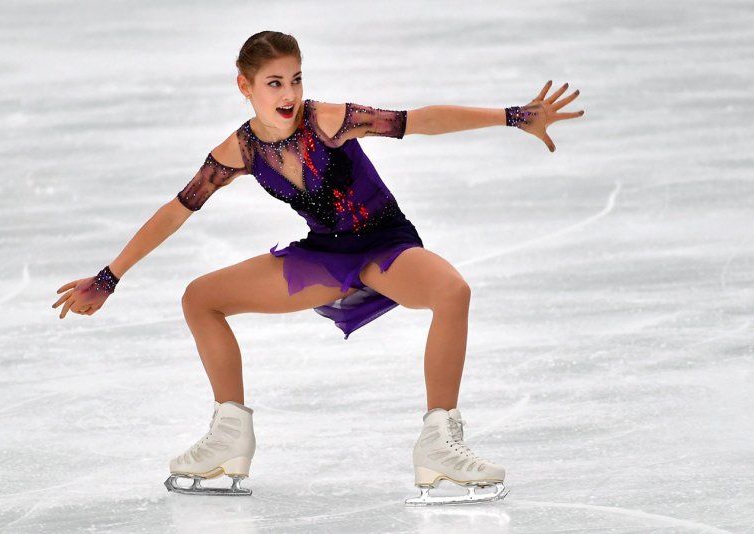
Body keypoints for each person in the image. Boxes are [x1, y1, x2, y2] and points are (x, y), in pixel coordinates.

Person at [51, 30, 584, 505]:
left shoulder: (329, 120)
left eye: (296, 79)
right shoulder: (239, 150)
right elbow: (176, 210)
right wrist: (109, 277)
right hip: (324, 255)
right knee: (200, 298)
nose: (289, 93)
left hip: (384, 246)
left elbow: (420, 121)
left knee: (452, 291)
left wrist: (513, 116)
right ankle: (230, 434)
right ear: (245, 86)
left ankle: (439, 442)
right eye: (274, 83)